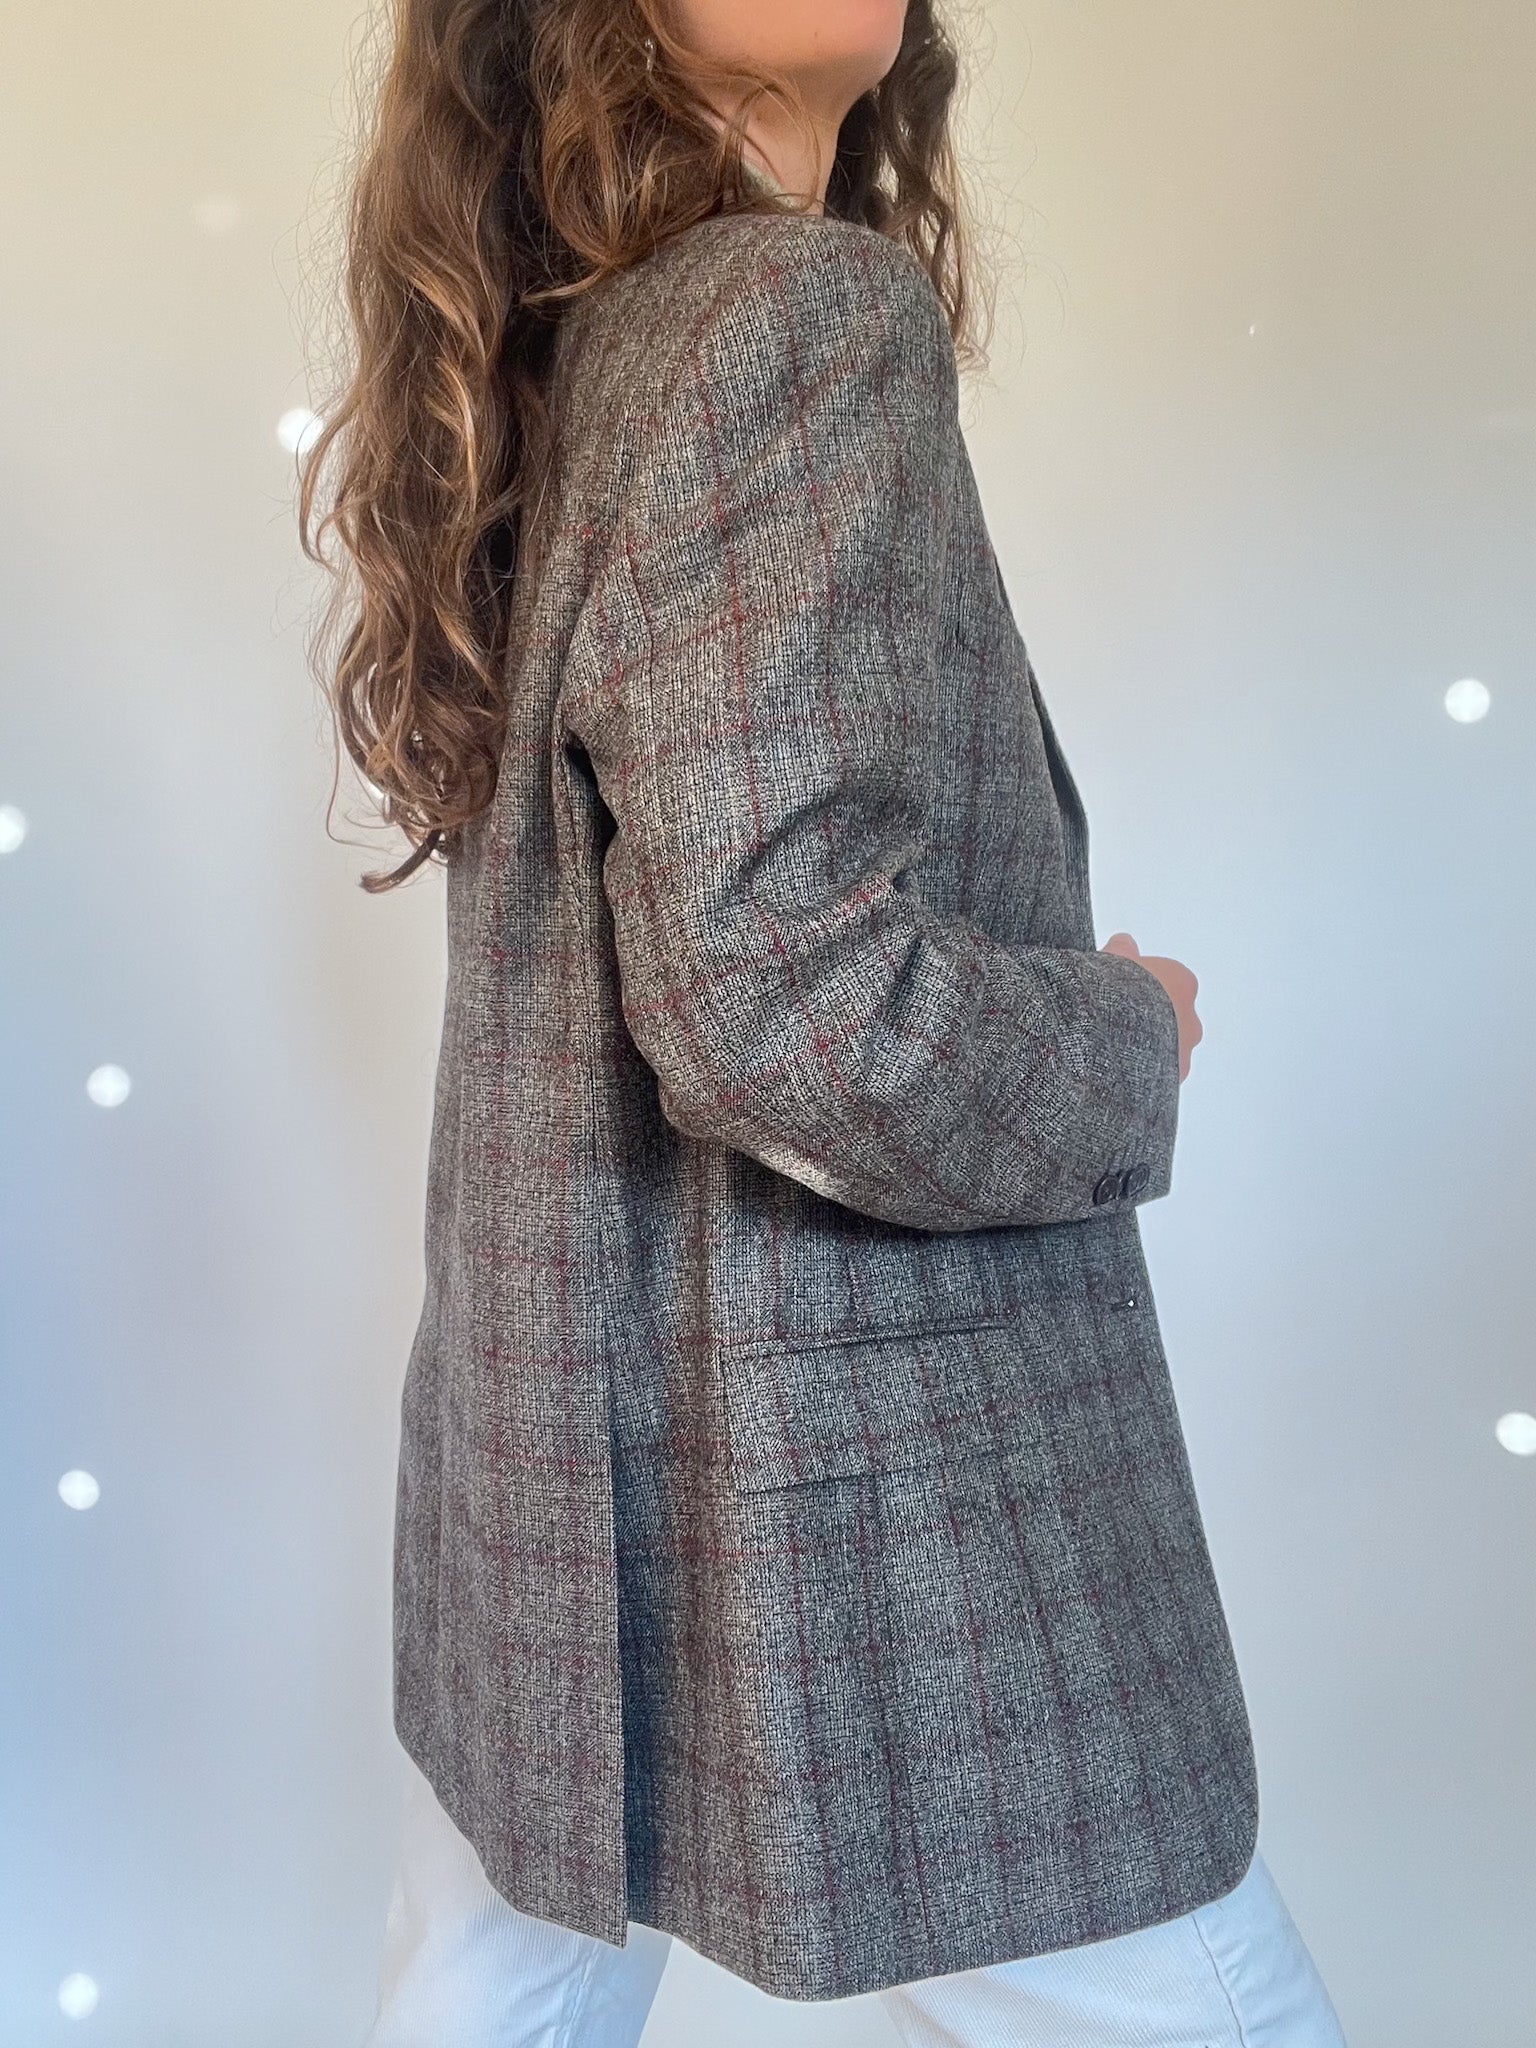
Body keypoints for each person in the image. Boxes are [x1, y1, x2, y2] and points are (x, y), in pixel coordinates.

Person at [300, 2, 1349, 2042]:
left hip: (551, 1463)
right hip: (868, 1499)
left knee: (491, 1994)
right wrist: (1123, 1038)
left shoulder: (550, 345)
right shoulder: (785, 314)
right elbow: (784, 1000)